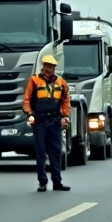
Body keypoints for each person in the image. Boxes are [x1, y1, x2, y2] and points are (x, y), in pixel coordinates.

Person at [23, 54, 72, 192]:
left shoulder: (61, 82)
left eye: (50, 67)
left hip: (55, 121)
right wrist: (29, 114)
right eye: (45, 66)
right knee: (40, 152)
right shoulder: (34, 80)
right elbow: (26, 99)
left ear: (54, 68)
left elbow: (65, 100)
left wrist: (65, 116)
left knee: (56, 152)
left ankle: (57, 182)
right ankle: (42, 182)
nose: (47, 69)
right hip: (39, 121)